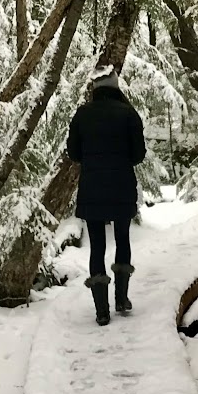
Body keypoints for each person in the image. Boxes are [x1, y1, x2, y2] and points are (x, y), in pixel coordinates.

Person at [66, 65, 146, 325]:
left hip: (92, 187)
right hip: (122, 186)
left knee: (97, 246)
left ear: (94, 89)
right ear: (115, 86)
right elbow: (138, 155)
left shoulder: (83, 114)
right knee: (123, 240)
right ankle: (122, 299)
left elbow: (74, 154)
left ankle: (101, 311)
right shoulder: (129, 114)